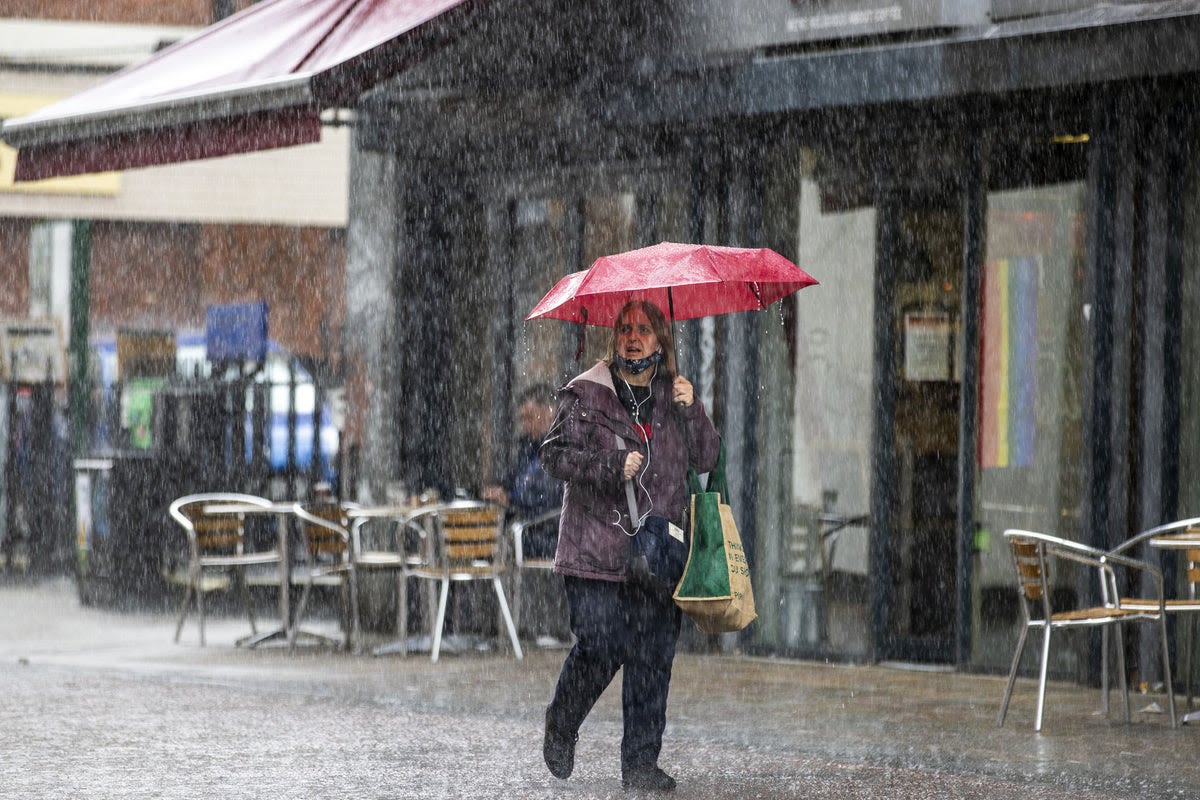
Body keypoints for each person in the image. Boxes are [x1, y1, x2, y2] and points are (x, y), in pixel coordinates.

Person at [538, 299, 720, 793]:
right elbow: (551, 454)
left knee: (653, 655)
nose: (632, 338)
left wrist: (693, 406)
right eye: (625, 330)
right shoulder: (587, 392)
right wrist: (606, 466)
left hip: (657, 553)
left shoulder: (674, 396)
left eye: (643, 330)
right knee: (602, 642)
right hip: (595, 551)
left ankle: (640, 762)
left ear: (661, 339)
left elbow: (707, 457)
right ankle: (562, 718)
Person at [482, 383, 563, 535]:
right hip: (525, 530)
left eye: (530, 418)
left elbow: (550, 497)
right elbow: (511, 477)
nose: (526, 425)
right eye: (522, 420)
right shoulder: (529, 448)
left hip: (550, 535)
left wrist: (512, 499)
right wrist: (498, 490)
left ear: (551, 412)